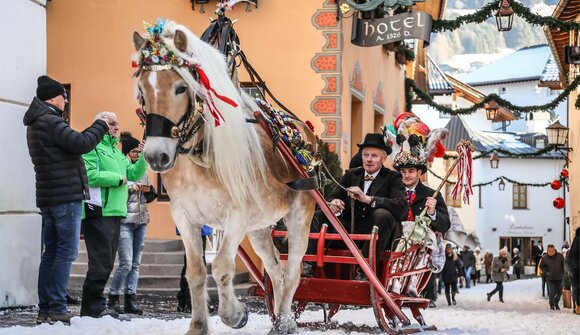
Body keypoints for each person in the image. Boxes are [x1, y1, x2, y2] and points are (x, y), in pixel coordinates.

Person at [23, 75, 108, 325]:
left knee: (51, 253)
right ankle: (57, 308)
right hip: (65, 198)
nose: (66, 99)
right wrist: (99, 124)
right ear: (52, 97)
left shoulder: (37, 122)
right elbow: (81, 143)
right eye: (64, 95)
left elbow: (69, 146)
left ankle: (46, 308)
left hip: (49, 198)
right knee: (65, 253)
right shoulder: (50, 120)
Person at [80, 112, 148, 318]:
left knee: (108, 262)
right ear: (99, 124)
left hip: (117, 211)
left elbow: (134, 174)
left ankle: (96, 305)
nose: (117, 128)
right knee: (100, 262)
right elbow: (89, 175)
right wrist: (119, 179)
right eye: (112, 124)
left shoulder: (116, 151)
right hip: (99, 210)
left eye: (117, 123)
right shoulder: (91, 147)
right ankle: (92, 307)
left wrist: (144, 155)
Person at [308, 133, 406, 263]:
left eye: (374, 156)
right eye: (366, 155)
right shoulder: (352, 174)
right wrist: (334, 202)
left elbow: (401, 207)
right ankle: (308, 264)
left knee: (382, 215)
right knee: (321, 214)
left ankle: (365, 271)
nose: (369, 159)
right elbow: (332, 196)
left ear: (383, 159)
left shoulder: (393, 177)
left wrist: (368, 199)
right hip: (350, 231)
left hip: (379, 236)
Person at [107, 132, 156, 315]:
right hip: (125, 220)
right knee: (126, 263)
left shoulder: (141, 169)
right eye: (134, 151)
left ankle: (130, 298)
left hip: (141, 220)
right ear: (127, 152)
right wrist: (130, 187)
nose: (137, 154)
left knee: (135, 264)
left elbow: (150, 192)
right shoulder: (122, 165)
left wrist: (148, 189)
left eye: (138, 151)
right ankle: (113, 296)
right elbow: (118, 187)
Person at [394, 156, 451, 307]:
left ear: (419, 172)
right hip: (395, 242)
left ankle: (416, 289)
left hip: (419, 248)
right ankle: (391, 285)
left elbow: (445, 225)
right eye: (403, 171)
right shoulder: (393, 192)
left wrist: (433, 213)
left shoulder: (432, 195)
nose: (406, 175)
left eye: (411, 171)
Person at [177, 225, 213, 313]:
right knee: (197, 263)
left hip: (193, 226)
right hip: (196, 225)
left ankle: (184, 300)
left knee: (190, 262)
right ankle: (194, 301)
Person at [540, 244, 565, 310]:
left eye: (553, 250)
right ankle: (551, 305)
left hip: (559, 278)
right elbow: (541, 266)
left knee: (559, 292)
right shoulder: (544, 258)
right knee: (551, 292)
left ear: (554, 249)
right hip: (550, 278)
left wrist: (563, 272)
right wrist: (546, 273)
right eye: (550, 251)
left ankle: (556, 303)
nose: (552, 252)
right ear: (547, 251)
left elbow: (564, 264)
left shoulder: (560, 256)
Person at [566, 227, 579, 314]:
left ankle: (577, 307)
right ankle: (577, 307)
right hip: (578, 269)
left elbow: (572, 255)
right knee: (577, 289)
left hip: (577, 269)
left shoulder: (577, 239)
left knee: (577, 289)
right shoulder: (577, 239)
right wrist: (575, 268)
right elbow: (572, 255)